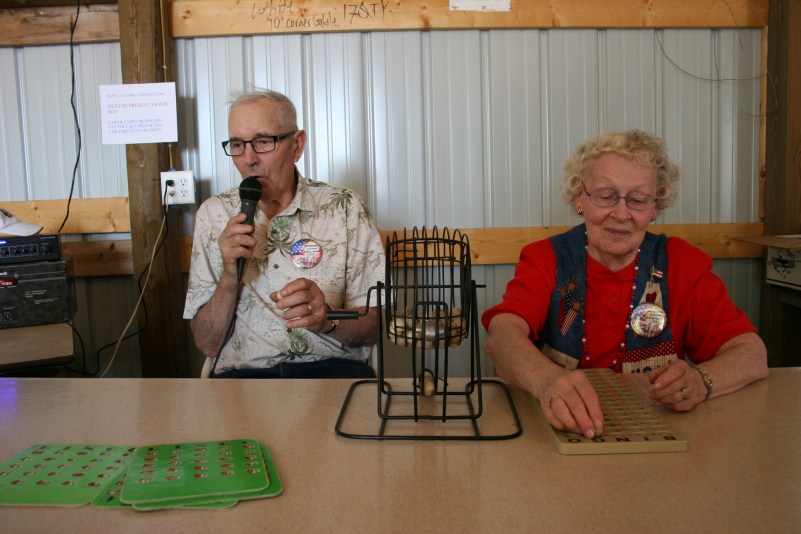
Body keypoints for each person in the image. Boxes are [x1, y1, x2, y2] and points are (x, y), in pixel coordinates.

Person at [482, 129, 768, 438]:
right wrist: (546, 380)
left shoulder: (683, 264)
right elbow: (502, 336)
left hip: (660, 442)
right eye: (606, 196)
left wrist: (702, 380)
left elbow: (752, 353)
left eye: (638, 199)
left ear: (655, 207)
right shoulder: (546, 259)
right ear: (580, 199)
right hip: (559, 439)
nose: (621, 214)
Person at [184, 89, 385, 378]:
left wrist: (326, 320)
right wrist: (230, 276)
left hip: (331, 372)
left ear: (297, 145)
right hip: (244, 377)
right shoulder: (214, 215)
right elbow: (207, 343)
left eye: (263, 142)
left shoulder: (345, 209)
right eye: (238, 144)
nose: (248, 158)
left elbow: (375, 326)